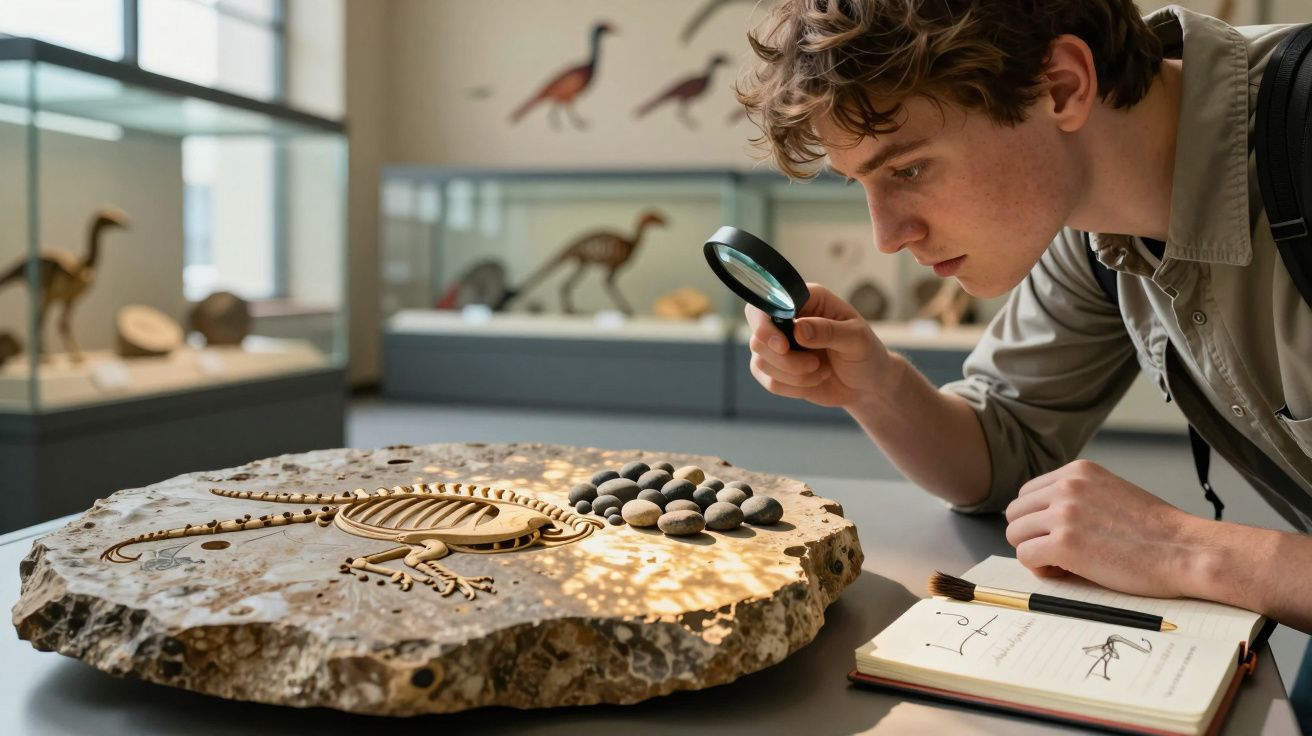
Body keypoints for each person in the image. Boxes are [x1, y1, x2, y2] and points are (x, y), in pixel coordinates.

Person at [736, 0, 1312, 696]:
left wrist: (1186, 550)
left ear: (1062, 87)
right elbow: (1003, 451)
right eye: (863, 183)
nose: (886, 235)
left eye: (909, 170)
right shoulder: (1091, 219)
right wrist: (873, 385)